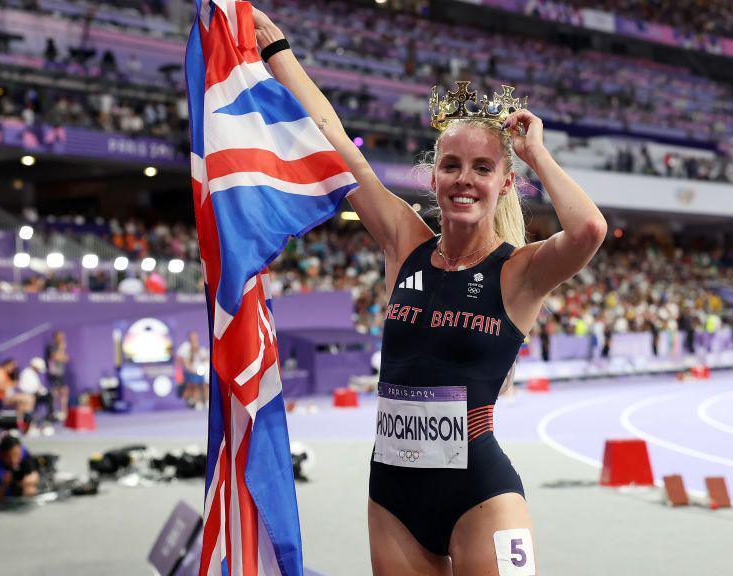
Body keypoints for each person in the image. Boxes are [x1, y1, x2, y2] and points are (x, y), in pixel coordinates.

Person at [253, 10, 606, 574]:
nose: (465, 179)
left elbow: (589, 230)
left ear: (505, 182)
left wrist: (535, 152)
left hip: (480, 495)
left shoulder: (520, 272)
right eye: (452, 166)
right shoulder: (403, 242)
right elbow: (334, 140)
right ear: (433, 176)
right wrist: (280, 56)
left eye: (483, 167)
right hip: (392, 494)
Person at [0, 434, 40, 500]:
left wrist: (23, 483)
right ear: (1, 453)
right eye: (9, 456)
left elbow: (33, 474)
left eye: (16, 455)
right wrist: (4, 485)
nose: (13, 460)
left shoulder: (23, 451)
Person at [175, 331, 209, 408]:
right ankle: (196, 402)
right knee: (193, 386)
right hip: (189, 370)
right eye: (193, 336)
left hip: (199, 370)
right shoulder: (185, 346)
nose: (194, 338)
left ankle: (205, 402)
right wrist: (187, 367)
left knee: (204, 385)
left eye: (195, 336)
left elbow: (204, 357)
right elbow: (181, 359)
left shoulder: (199, 346)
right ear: (189, 337)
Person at [45, 331, 70, 419]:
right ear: (55, 338)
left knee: (64, 392)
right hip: (54, 374)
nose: (62, 339)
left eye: (63, 337)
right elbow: (55, 357)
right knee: (55, 394)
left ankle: (64, 414)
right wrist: (61, 348)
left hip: (61, 374)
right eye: (60, 337)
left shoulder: (60, 348)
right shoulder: (51, 347)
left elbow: (66, 358)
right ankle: (53, 413)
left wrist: (61, 356)